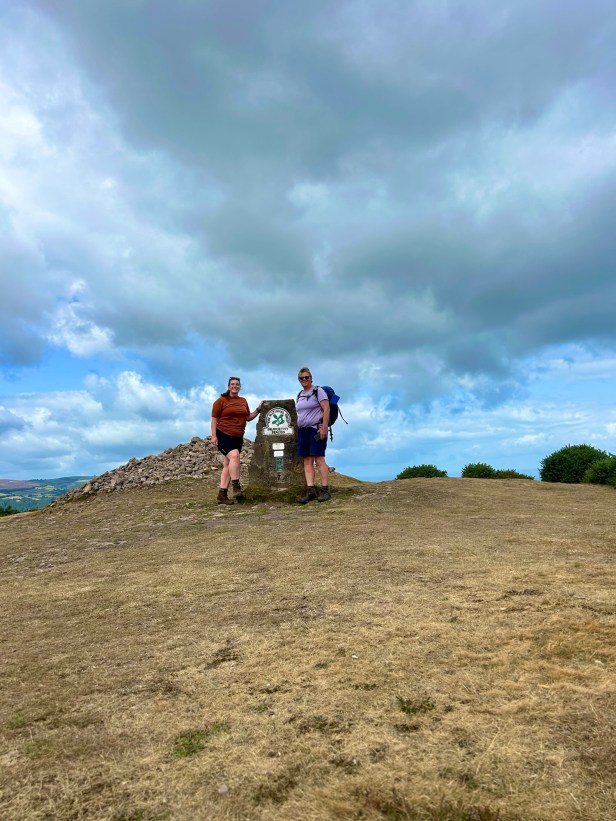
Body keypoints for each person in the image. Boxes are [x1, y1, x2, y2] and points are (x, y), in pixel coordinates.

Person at [211, 377, 262, 505]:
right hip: (223, 434)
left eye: (237, 384)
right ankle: (236, 487)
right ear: (228, 386)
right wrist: (214, 436)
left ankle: (222, 495)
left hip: (238, 436)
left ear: (240, 387)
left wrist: (258, 410)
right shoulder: (221, 400)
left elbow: (248, 417)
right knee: (234, 456)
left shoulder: (243, 401)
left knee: (228, 464)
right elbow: (214, 419)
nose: (235, 386)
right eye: (232, 384)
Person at [295, 367, 331, 504]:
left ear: (311, 378)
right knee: (307, 460)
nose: (304, 379)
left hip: (316, 429)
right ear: (299, 380)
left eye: (306, 377)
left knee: (319, 459)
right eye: (301, 378)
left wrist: (324, 428)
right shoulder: (300, 394)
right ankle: (311, 490)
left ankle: (325, 490)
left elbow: (326, 409)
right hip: (303, 430)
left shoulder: (318, 391)